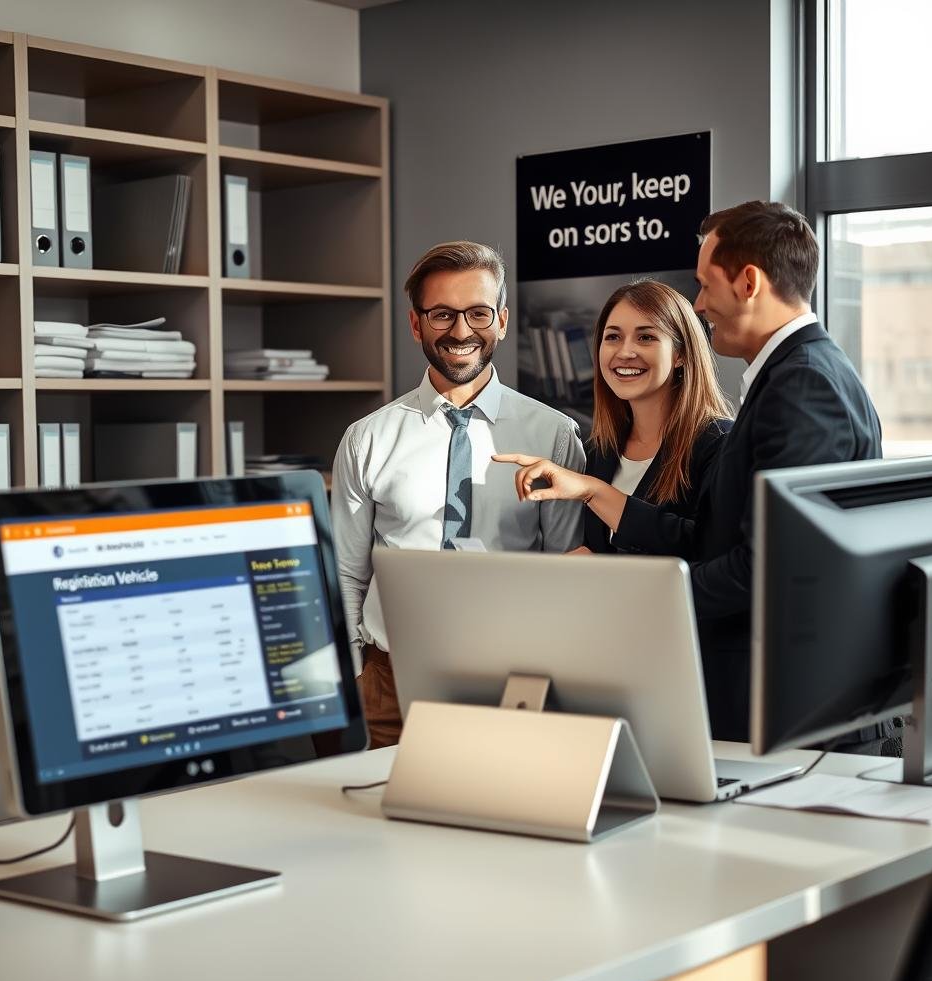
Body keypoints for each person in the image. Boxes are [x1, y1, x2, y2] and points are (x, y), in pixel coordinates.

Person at [501, 202, 884, 747]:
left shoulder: (803, 385)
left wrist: (630, 593)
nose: (700, 304)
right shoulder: (800, 373)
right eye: (612, 336)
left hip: (794, 706)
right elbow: (708, 536)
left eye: (705, 285)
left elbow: (767, 570)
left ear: (748, 282)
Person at [331, 240, 586, 748]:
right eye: (442, 314)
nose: (461, 331)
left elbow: (565, 567)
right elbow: (347, 570)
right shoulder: (368, 437)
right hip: (389, 684)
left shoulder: (553, 435)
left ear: (503, 320)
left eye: (477, 313)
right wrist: (359, 671)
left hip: (511, 680)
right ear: (416, 323)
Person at [498, 279, 732, 558]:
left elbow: (709, 551)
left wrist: (593, 491)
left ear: (680, 354)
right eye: (613, 337)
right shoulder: (600, 451)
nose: (624, 352)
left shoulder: (720, 443)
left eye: (645, 337)